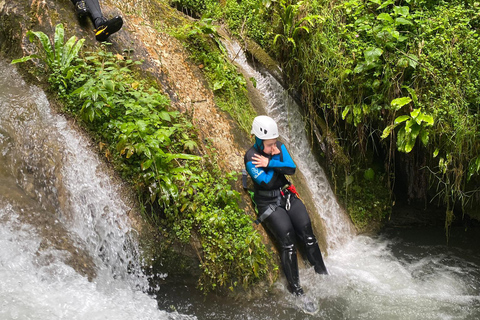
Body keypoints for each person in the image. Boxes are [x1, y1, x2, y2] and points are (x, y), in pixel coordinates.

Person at [244, 115, 328, 296]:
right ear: (257, 140)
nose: (273, 147)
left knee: (308, 233)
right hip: (267, 202)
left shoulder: (279, 147)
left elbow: (291, 169)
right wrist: (275, 164)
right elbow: (266, 183)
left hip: (286, 195)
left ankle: (323, 274)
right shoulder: (251, 157)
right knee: (288, 241)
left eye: (274, 142)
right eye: (268, 144)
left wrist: (271, 162)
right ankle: (296, 290)